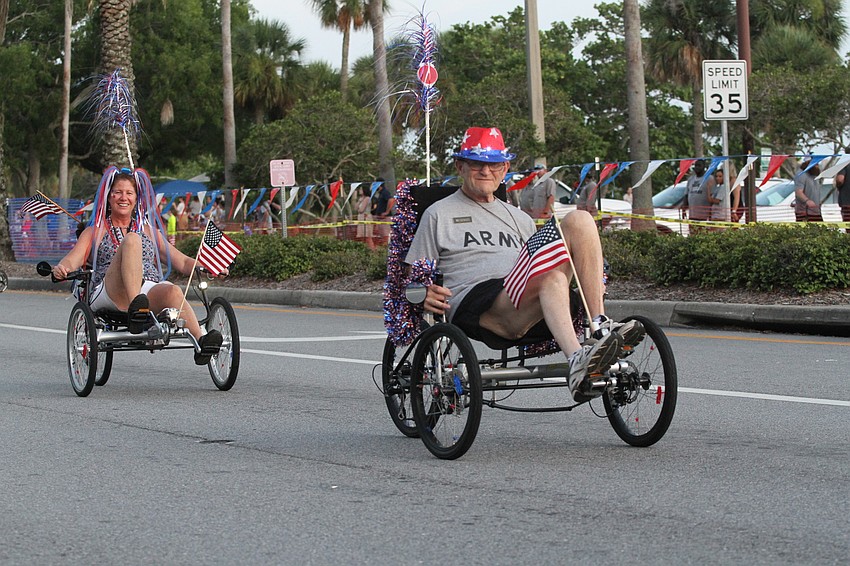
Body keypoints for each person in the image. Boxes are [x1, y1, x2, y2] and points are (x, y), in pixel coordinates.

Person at [405, 127, 644, 401]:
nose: (486, 171)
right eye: (477, 164)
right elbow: (414, 273)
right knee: (552, 279)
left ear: (505, 168)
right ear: (461, 166)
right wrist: (423, 292)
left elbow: (537, 262)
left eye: (494, 164)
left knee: (580, 220)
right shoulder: (438, 214)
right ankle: (577, 359)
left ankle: (599, 327)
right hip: (480, 304)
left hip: (528, 297)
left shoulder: (520, 219)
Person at [52, 167, 223, 365]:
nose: (123, 197)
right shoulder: (95, 231)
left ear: (136, 199)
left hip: (146, 287)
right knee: (132, 240)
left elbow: (183, 262)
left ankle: (202, 342)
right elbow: (72, 260)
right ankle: (137, 308)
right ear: (109, 197)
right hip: (110, 290)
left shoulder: (149, 231)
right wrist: (62, 268)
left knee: (173, 291)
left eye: (129, 193)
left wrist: (209, 266)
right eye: (118, 192)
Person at [683, 160, 714, 233]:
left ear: (704, 167)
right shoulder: (690, 179)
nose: (697, 167)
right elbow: (686, 194)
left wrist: (711, 213)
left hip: (705, 215)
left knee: (703, 234)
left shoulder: (709, 178)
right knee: (693, 233)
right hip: (692, 215)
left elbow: (713, 195)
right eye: (696, 165)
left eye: (699, 165)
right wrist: (684, 209)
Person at [794, 156, 823, 222]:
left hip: (815, 211)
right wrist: (807, 201)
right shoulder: (801, 174)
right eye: (815, 163)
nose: (817, 165)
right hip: (805, 212)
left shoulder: (814, 175)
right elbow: (798, 192)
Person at [372, 178, 395, 244]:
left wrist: (387, 212)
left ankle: (387, 247)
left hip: (385, 218)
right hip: (380, 218)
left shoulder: (385, 192)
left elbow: (391, 200)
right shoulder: (380, 193)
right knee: (381, 236)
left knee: (386, 235)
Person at [834, 147, 850, 228]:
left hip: (847, 201)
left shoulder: (844, 163)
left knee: (848, 226)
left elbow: (840, 179)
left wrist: (837, 186)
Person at [356, 185, 375, 249]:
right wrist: (359, 201)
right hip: (360, 218)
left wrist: (359, 209)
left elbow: (361, 210)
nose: (359, 191)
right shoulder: (361, 199)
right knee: (362, 236)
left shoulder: (367, 198)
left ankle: (372, 249)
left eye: (361, 189)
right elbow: (355, 208)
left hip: (366, 217)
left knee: (368, 236)